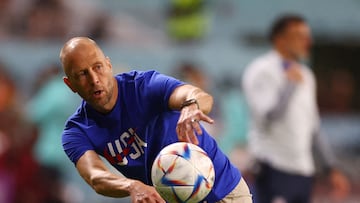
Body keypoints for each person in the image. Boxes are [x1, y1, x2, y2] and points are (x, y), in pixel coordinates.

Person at [60, 37, 252, 203]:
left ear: (109, 65)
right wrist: (132, 186)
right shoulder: (77, 131)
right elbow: (95, 176)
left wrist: (191, 105)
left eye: (98, 67)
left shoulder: (144, 86)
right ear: (70, 84)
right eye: (82, 74)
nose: (94, 79)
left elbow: (192, 94)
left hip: (224, 192)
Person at [242, 14, 350, 203]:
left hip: (303, 170)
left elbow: (313, 127)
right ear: (280, 39)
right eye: (299, 35)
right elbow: (268, 117)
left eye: (307, 35)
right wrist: (289, 85)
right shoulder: (261, 70)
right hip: (274, 168)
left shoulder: (306, 75)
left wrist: (330, 167)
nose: (307, 41)